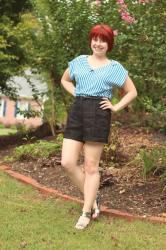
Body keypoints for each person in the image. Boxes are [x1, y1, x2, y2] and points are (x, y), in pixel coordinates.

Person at [61, 24, 137, 230]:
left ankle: (86, 211)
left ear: (109, 44)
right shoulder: (78, 62)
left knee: (91, 167)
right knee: (67, 163)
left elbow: (132, 91)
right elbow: (65, 79)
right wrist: (75, 92)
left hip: (99, 112)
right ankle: (93, 199)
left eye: (103, 40)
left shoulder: (115, 68)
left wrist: (116, 107)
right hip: (78, 111)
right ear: (91, 41)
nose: (98, 43)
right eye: (95, 39)